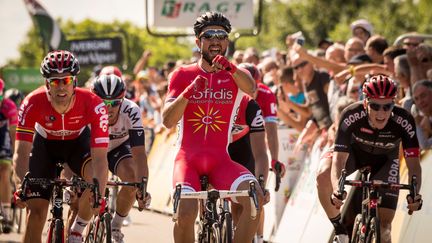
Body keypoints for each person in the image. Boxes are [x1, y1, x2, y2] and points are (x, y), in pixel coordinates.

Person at [161, 11, 262, 243]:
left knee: (255, 198)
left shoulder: (235, 75)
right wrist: (187, 94)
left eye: (221, 35)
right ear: (198, 42)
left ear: (227, 41)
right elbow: (167, 121)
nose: (215, 40)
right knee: (185, 215)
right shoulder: (182, 74)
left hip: (220, 160)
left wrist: (231, 69)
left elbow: (252, 89)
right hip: (188, 159)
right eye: (209, 35)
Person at [12, 50, 110, 243]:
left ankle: (76, 231)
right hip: (44, 146)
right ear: (47, 84)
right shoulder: (32, 102)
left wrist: (99, 192)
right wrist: (21, 186)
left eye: (65, 80)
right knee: (36, 214)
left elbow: (100, 157)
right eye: (55, 81)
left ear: (74, 82)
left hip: (77, 145)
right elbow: (21, 152)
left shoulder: (93, 103)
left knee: (94, 181)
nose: (60, 87)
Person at [325, 75, 422, 243]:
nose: (381, 112)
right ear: (365, 103)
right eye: (375, 106)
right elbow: (338, 159)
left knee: (384, 229)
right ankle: (339, 229)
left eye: (387, 107)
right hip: (354, 155)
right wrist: (336, 189)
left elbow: (414, 165)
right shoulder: (351, 114)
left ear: (394, 103)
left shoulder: (404, 120)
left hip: (386, 160)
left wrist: (415, 195)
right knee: (323, 173)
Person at [91, 74, 151, 243]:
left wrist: (142, 187)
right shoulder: (87, 107)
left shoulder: (131, 110)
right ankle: (77, 229)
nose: (108, 108)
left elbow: (139, 153)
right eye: (103, 102)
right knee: (81, 192)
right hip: (93, 149)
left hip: (118, 148)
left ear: (123, 99)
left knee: (132, 179)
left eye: (114, 103)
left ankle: (116, 226)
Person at [0, 79, 18, 233]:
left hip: (3, 136)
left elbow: (13, 134)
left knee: (4, 170)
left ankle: (5, 215)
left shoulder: (9, 106)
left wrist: (15, 155)